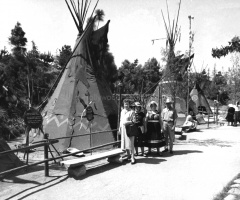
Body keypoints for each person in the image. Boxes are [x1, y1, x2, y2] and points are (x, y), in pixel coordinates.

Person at [119, 99, 136, 164]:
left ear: (129, 104)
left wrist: (127, 122)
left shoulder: (132, 112)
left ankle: (132, 157)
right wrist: (119, 128)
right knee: (126, 143)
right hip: (123, 129)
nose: (126, 105)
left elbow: (134, 121)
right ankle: (128, 155)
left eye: (127, 104)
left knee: (131, 143)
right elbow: (121, 120)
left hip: (129, 129)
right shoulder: (122, 111)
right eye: (125, 104)